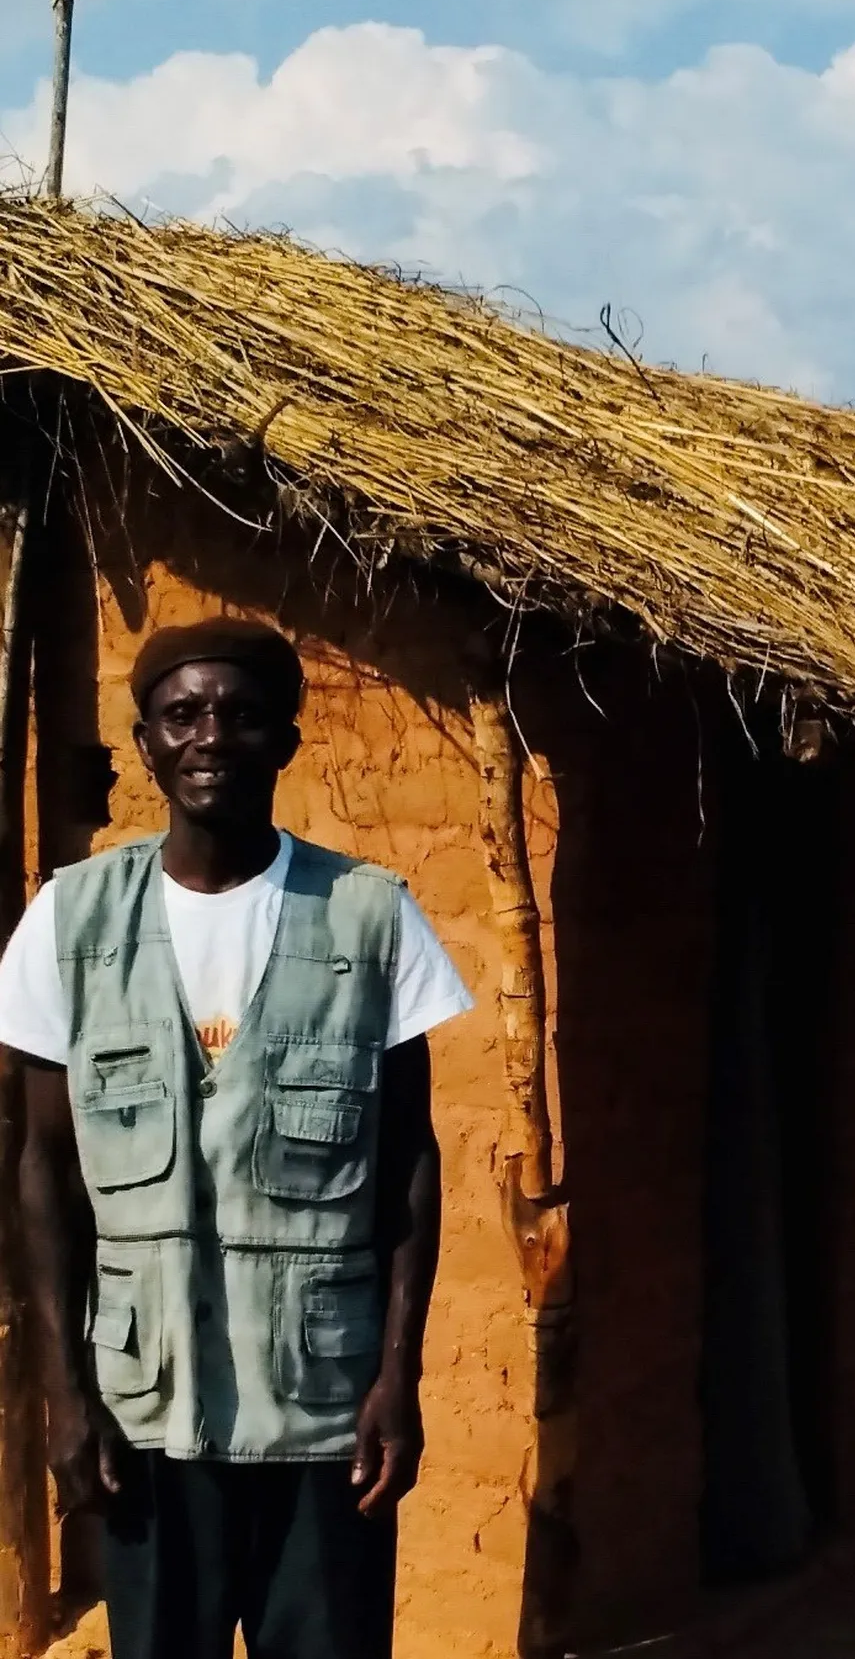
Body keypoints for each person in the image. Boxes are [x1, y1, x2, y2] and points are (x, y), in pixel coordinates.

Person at [1, 618, 474, 1659]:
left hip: (323, 1413)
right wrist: (64, 1395)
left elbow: (408, 1165)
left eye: (242, 715)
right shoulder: (67, 924)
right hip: (146, 1408)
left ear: (286, 744)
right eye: (183, 715)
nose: (211, 737)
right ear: (146, 746)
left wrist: (400, 1378)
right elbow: (45, 1174)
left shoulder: (370, 918)